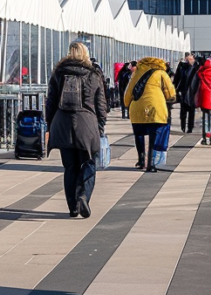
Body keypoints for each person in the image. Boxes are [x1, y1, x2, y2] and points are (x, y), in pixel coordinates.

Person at [45, 42, 108, 218]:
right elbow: (101, 105)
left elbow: (50, 102)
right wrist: (101, 127)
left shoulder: (58, 73)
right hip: (86, 124)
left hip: (62, 123)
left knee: (70, 166)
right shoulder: (93, 74)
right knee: (88, 162)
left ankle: (73, 207)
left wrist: (50, 125)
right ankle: (83, 196)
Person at [123, 56, 176, 172]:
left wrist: (127, 104)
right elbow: (170, 92)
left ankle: (141, 160)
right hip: (155, 107)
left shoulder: (136, 73)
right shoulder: (161, 73)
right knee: (153, 134)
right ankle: (150, 163)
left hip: (137, 108)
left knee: (139, 133)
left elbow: (129, 91)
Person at [193, 56, 211, 145]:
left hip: (204, 98)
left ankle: (205, 136)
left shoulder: (202, 72)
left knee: (205, 117)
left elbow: (196, 80)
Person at [172, 53, 197, 134]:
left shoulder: (196, 67)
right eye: (187, 59)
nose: (188, 61)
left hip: (192, 92)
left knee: (191, 111)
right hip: (183, 91)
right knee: (183, 111)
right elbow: (177, 78)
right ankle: (183, 126)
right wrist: (175, 88)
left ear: (193, 59)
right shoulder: (182, 67)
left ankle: (190, 128)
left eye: (190, 59)